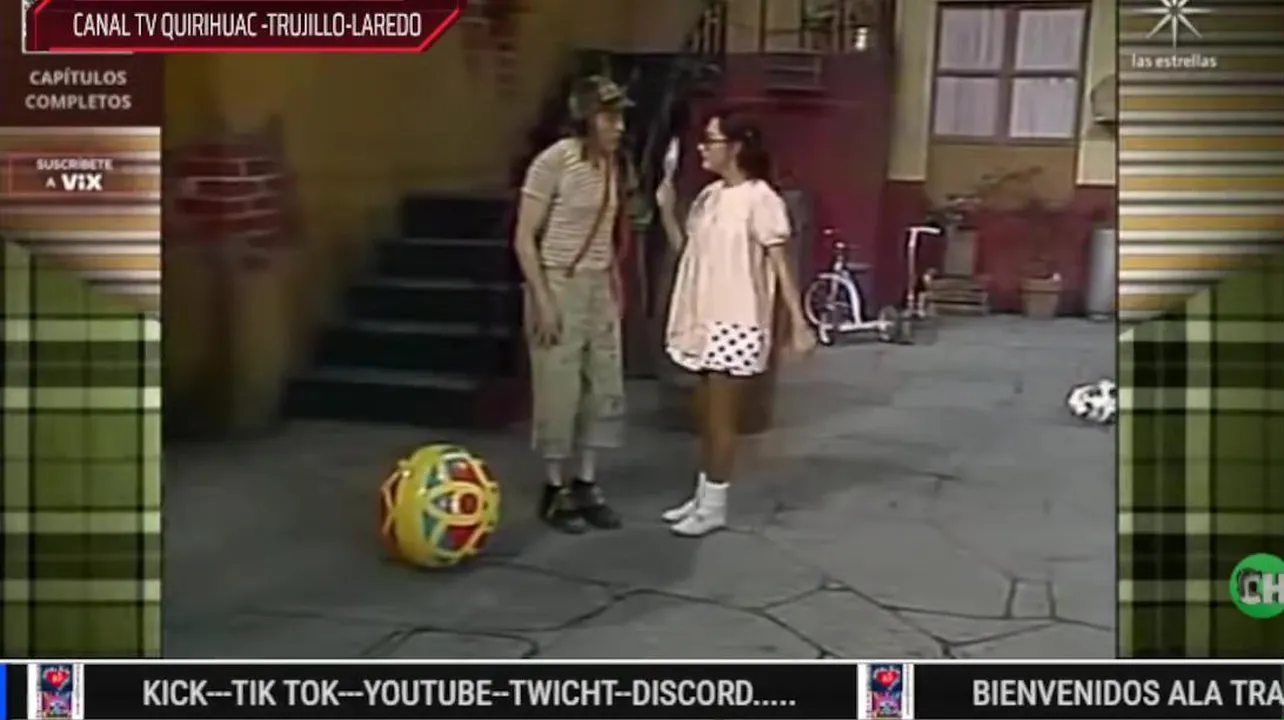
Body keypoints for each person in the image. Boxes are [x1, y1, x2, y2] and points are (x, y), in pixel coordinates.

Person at [655, 109, 816, 537]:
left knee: (722, 417)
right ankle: (703, 496)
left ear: (736, 147)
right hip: (702, 315)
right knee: (704, 413)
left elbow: (781, 263)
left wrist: (798, 322)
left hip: (736, 319)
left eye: (711, 140)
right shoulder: (709, 197)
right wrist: (667, 211)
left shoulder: (761, 198)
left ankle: (715, 505)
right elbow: (688, 251)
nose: (703, 148)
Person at [512, 75, 638, 534]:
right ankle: (554, 487)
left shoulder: (613, 166)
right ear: (586, 118)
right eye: (609, 116)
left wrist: (613, 283)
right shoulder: (554, 162)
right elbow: (524, 238)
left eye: (620, 116)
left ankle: (586, 481)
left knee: (602, 385)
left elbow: (607, 231)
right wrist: (542, 299)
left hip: (597, 284)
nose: (618, 126)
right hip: (558, 281)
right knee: (558, 388)